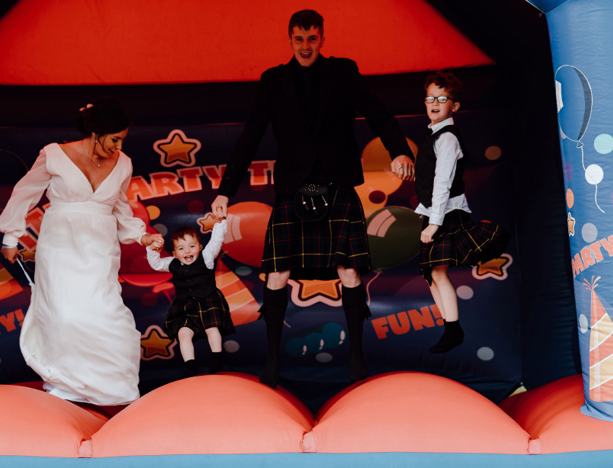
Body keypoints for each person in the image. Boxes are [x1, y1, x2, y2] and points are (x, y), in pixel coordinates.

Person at [210, 10, 414, 388]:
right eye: (299, 39)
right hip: (293, 186)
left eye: (313, 38)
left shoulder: (344, 72)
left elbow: (378, 115)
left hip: (336, 181)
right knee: (277, 274)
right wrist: (225, 190)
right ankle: (271, 362)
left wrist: (399, 150)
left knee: (349, 272)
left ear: (323, 39)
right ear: (289, 39)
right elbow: (250, 136)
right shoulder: (273, 80)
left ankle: (356, 359)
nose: (306, 46)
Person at [0, 96, 163, 406]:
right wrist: (11, 238)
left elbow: (121, 207)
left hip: (100, 247)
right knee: (65, 315)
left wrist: (141, 237)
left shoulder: (123, 163)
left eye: (122, 140)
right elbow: (24, 194)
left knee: (110, 316)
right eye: (114, 139)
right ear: (96, 132)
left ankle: (115, 393)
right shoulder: (54, 155)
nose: (118, 146)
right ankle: (67, 387)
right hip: (60, 244)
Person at [415, 71, 509, 353]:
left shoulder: (447, 138)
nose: (434, 103)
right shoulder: (434, 136)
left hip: (445, 215)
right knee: (431, 273)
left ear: (453, 106)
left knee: (438, 273)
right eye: (430, 98)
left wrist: (433, 224)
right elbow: (432, 177)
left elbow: (444, 181)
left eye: (442, 99)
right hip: (433, 213)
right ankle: (450, 326)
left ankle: (453, 329)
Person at [145, 218, 235, 377]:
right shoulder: (172, 263)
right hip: (186, 306)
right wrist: (152, 248)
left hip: (207, 300)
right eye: (181, 248)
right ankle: (190, 366)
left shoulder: (206, 258)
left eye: (191, 246)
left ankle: (217, 358)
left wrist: (220, 222)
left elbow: (216, 241)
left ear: (200, 248)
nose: (187, 251)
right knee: (183, 334)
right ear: (174, 254)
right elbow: (156, 264)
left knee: (211, 328)